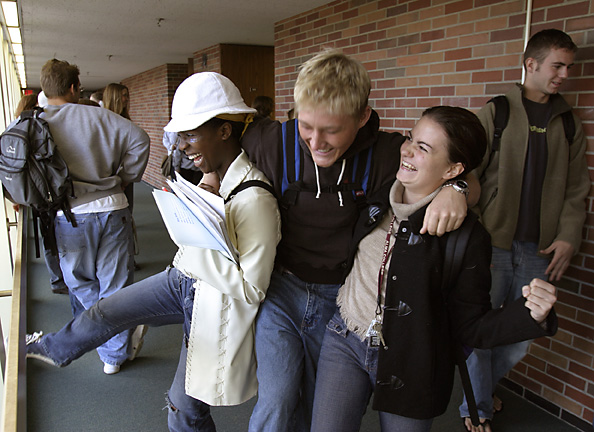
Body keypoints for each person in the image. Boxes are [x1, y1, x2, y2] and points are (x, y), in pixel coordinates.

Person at [26, 71, 281, 431]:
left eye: (190, 135)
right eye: (181, 136)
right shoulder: (215, 176)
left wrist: (191, 244)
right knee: (105, 311)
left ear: (225, 131)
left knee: (182, 408)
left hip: (209, 301)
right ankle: (55, 348)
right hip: (181, 281)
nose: (180, 146)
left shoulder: (255, 198)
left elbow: (251, 289)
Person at [240, 49, 476, 431]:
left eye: (332, 130)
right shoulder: (269, 141)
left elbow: (460, 170)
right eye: (307, 126)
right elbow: (219, 155)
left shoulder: (387, 152)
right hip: (281, 290)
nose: (316, 142)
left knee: (318, 403)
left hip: (338, 299)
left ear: (363, 117)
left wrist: (458, 188)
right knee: (277, 397)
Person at [309, 106, 558, 432]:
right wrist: (458, 188)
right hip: (345, 338)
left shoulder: (467, 238)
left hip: (414, 362)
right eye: (411, 138)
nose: (407, 149)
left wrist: (530, 316)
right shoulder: (379, 191)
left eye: (423, 148)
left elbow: (472, 328)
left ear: (454, 168)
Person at [459, 29, 589, 432]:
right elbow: (466, 171)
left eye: (569, 67)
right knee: (480, 329)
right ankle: (476, 406)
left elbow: (576, 188)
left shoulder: (568, 122)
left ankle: (476, 392)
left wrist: (569, 235)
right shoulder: (496, 112)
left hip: (540, 249)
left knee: (521, 334)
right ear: (530, 64)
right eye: (557, 65)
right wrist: (475, 226)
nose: (564, 74)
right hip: (491, 244)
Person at [31, 58, 150, 374]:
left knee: (79, 282)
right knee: (117, 286)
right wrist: (127, 177)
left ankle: (106, 335)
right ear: (74, 88)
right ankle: (113, 355)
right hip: (113, 207)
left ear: (46, 89)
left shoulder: (36, 123)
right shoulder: (100, 116)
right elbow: (141, 139)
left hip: (68, 215)